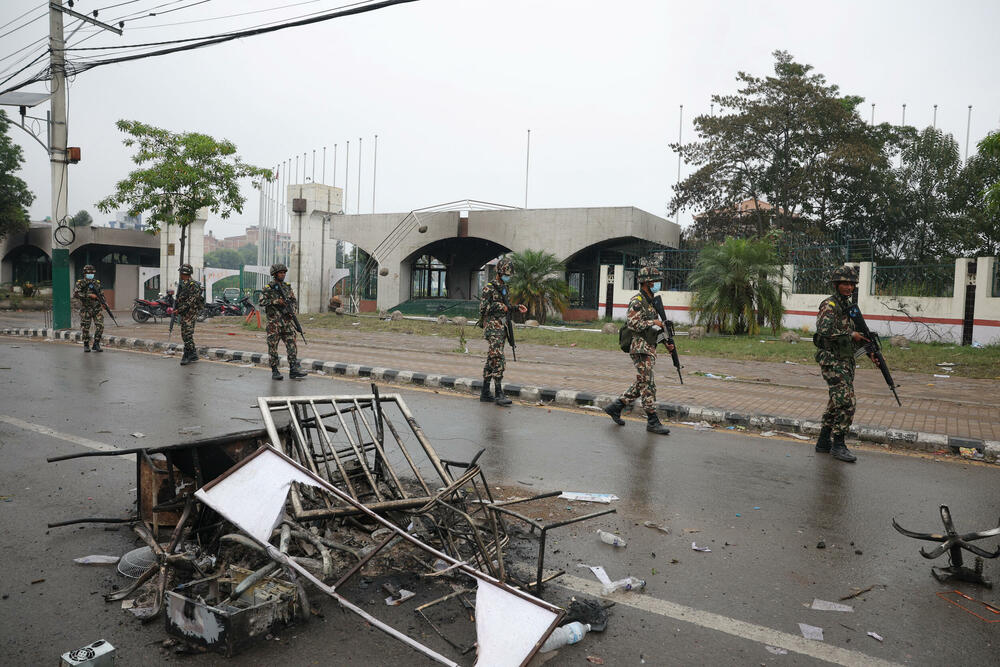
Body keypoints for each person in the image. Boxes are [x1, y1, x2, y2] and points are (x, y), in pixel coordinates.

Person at [812, 265, 879, 463]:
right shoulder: (829, 305)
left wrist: (871, 354)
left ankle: (824, 441)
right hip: (832, 361)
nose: (849, 287)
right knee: (847, 402)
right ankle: (838, 444)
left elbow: (860, 338)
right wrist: (851, 334)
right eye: (845, 283)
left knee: (836, 402)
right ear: (836, 284)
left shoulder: (850, 308)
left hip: (846, 361)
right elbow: (824, 331)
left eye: (851, 284)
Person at [603, 263, 672, 435]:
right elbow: (633, 323)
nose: (657, 284)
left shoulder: (652, 303)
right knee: (648, 384)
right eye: (655, 281)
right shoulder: (637, 301)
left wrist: (667, 343)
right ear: (646, 282)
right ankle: (652, 420)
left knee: (642, 382)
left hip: (649, 347)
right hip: (639, 347)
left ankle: (615, 407)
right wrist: (652, 322)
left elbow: (656, 330)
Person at [478, 257, 526, 406]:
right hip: (493, 327)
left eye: (509, 274)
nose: (508, 276)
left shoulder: (505, 287)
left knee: (492, 358)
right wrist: (499, 307)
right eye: (506, 273)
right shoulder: (489, 288)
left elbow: (506, 306)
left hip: (502, 326)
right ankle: (499, 393)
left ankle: (485, 392)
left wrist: (516, 307)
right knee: (498, 357)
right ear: (499, 272)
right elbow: (482, 309)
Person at [259, 263, 307, 380]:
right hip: (274, 323)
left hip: (287, 322)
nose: (283, 274)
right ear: (275, 274)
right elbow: (261, 302)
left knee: (292, 345)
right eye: (281, 273)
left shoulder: (287, 287)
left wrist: (292, 310)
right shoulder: (268, 288)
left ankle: (293, 369)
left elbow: (293, 301)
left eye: (284, 272)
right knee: (273, 347)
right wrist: (276, 301)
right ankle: (275, 370)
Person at [175, 263, 204, 366]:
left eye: (181, 273)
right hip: (185, 313)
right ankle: (192, 354)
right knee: (185, 334)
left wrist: (179, 310)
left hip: (190, 313)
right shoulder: (183, 284)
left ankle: (187, 354)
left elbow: (190, 301)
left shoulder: (193, 285)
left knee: (187, 334)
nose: (180, 274)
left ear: (185, 273)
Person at [73, 264, 104, 353]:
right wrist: (89, 295)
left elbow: (101, 294)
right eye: (89, 273)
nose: (91, 274)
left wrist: (104, 303)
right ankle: (86, 345)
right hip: (86, 309)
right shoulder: (80, 283)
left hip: (97, 309)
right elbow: (76, 294)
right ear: (85, 273)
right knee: (85, 328)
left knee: (100, 326)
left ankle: (96, 344)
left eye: (92, 273)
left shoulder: (96, 283)